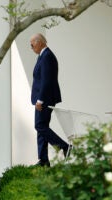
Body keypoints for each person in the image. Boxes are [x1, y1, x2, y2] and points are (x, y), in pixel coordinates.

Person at [30, 33, 69, 167]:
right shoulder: (42, 56)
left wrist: (40, 100)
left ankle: (64, 147)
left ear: (40, 42)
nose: (31, 47)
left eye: (32, 44)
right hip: (42, 99)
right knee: (42, 128)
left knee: (40, 126)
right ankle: (43, 160)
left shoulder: (47, 56)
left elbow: (46, 81)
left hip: (44, 99)